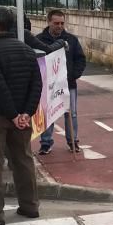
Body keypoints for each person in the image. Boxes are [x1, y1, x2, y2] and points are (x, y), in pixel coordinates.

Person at [0, 5, 42, 225]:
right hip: (22, 117)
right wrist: (25, 113)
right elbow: (37, 85)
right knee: (23, 160)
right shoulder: (26, 50)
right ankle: (30, 206)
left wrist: (13, 114)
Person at [36, 9, 87, 155]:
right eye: (56, 23)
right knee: (48, 113)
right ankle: (46, 143)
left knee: (71, 113)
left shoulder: (71, 39)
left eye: (62, 23)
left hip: (68, 84)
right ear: (49, 22)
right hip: (48, 85)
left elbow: (80, 59)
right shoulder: (39, 39)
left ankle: (73, 141)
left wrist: (74, 75)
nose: (59, 26)